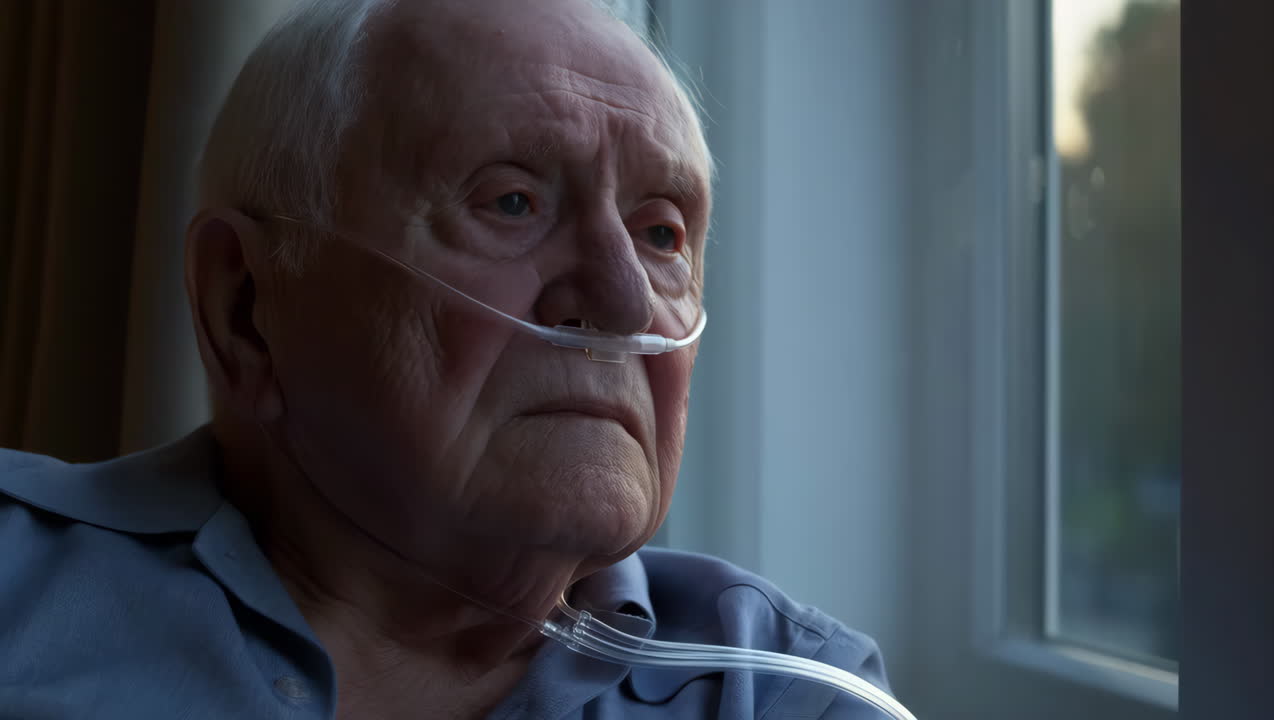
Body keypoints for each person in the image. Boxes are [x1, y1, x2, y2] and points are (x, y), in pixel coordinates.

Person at [0, 0, 893, 717]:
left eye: (662, 233)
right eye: (511, 202)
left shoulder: (783, 692)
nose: (624, 303)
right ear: (246, 308)